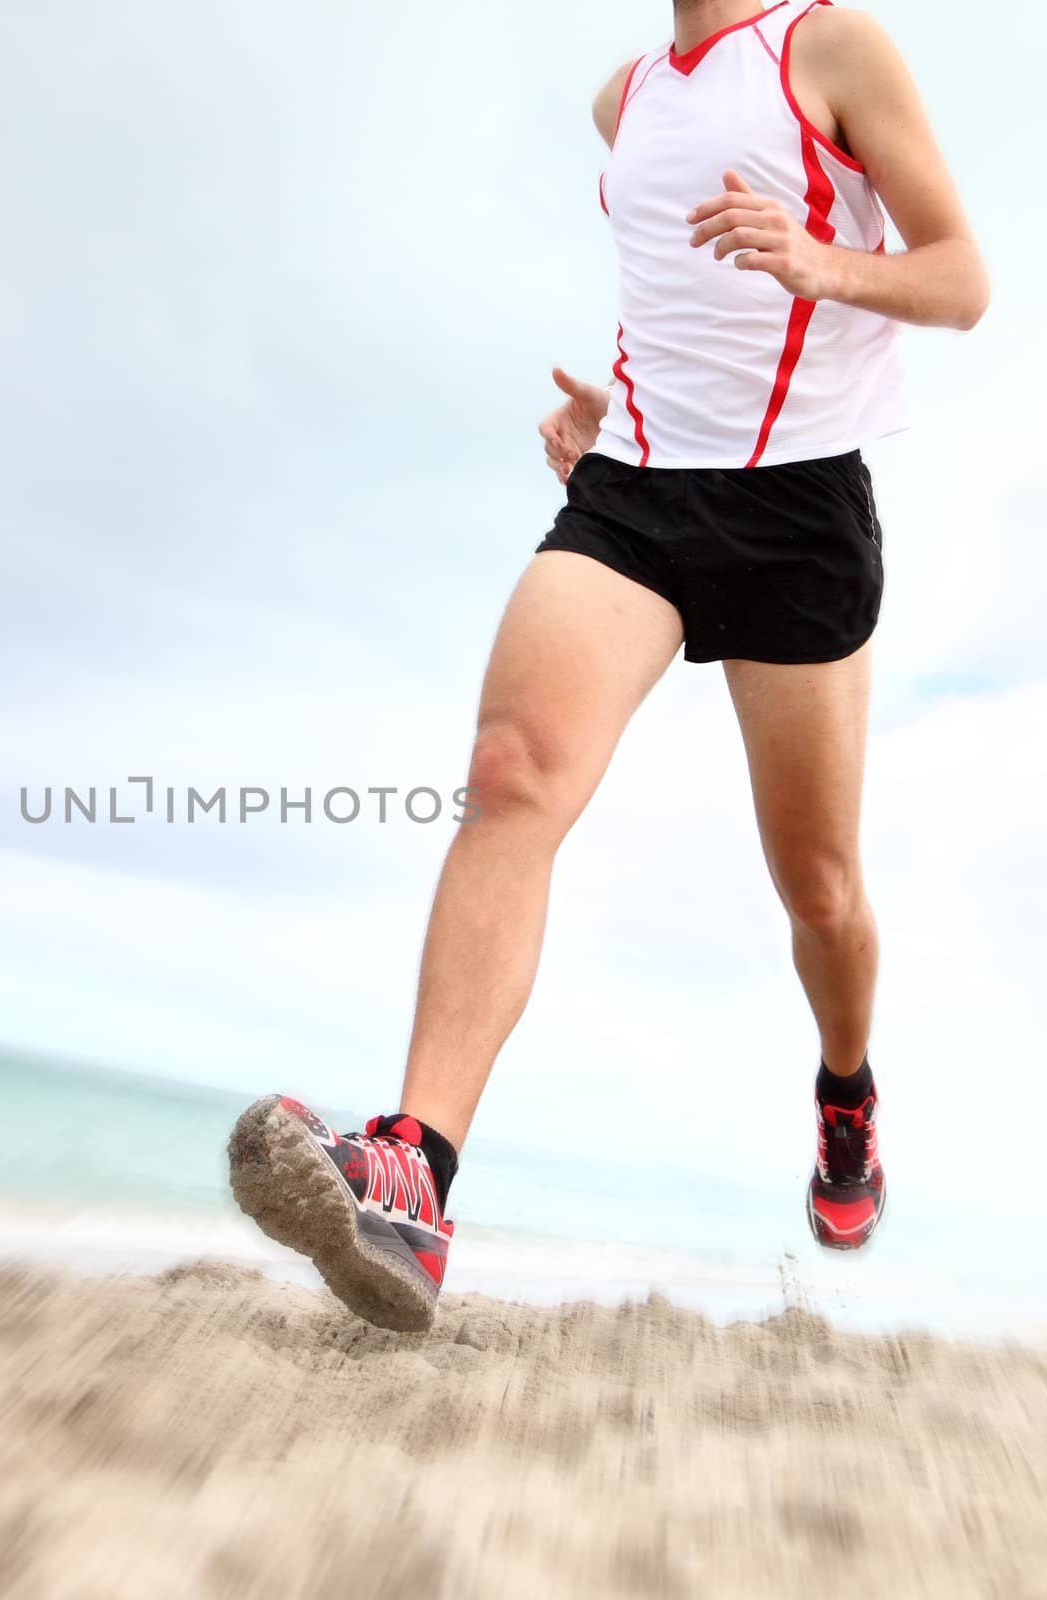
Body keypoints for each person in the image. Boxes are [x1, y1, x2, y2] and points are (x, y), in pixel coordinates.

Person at [228, 0, 988, 1332]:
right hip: (633, 491)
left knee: (817, 886)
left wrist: (824, 262)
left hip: (798, 512)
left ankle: (847, 1097)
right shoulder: (626, 98)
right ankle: (413, 1178)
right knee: (509, 773)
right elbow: (676, 292)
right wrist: (611, 410)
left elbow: (961, 279)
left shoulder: (834, 49)